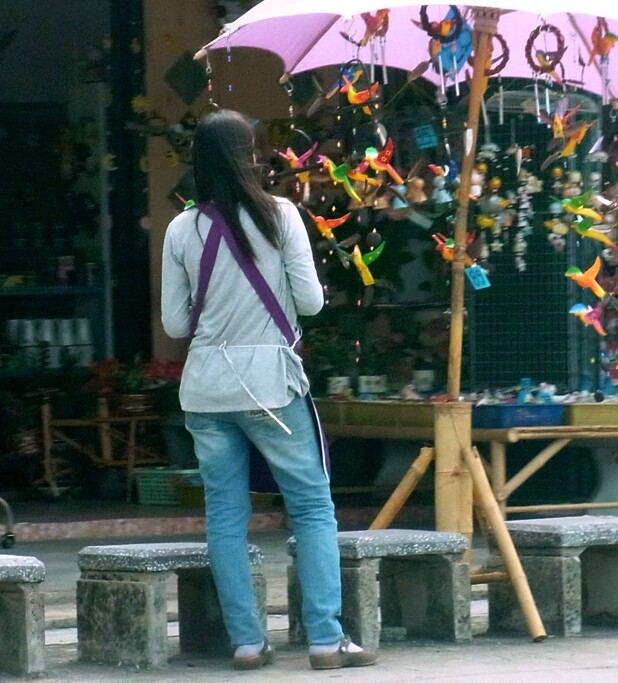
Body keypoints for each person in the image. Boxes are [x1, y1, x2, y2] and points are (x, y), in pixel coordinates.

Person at [160, 108, 377, 671]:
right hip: (271, 387)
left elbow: (176, 327)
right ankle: (327, 641)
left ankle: (248, 643)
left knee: (225, 514)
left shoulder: (182, 228)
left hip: (206, 388)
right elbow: (310, 303)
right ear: (249, 154)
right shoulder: (281, 215)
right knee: (310, 507)